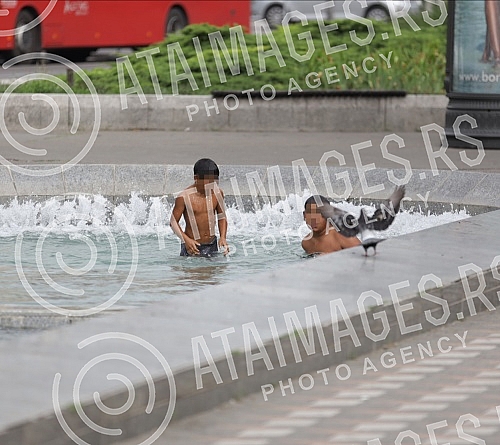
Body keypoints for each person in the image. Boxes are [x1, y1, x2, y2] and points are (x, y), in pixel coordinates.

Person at [170, 158, 229, 257]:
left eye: (214, 181)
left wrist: (223, 237)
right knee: (193, 272)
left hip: (212, 244)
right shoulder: (184, 197)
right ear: (196, 178)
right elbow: (173, 222)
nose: (212, 185)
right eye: (208, 181)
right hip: (192, 246)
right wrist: (186, 240)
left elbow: (222, 217)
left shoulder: (217, 193)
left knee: (214, 271)